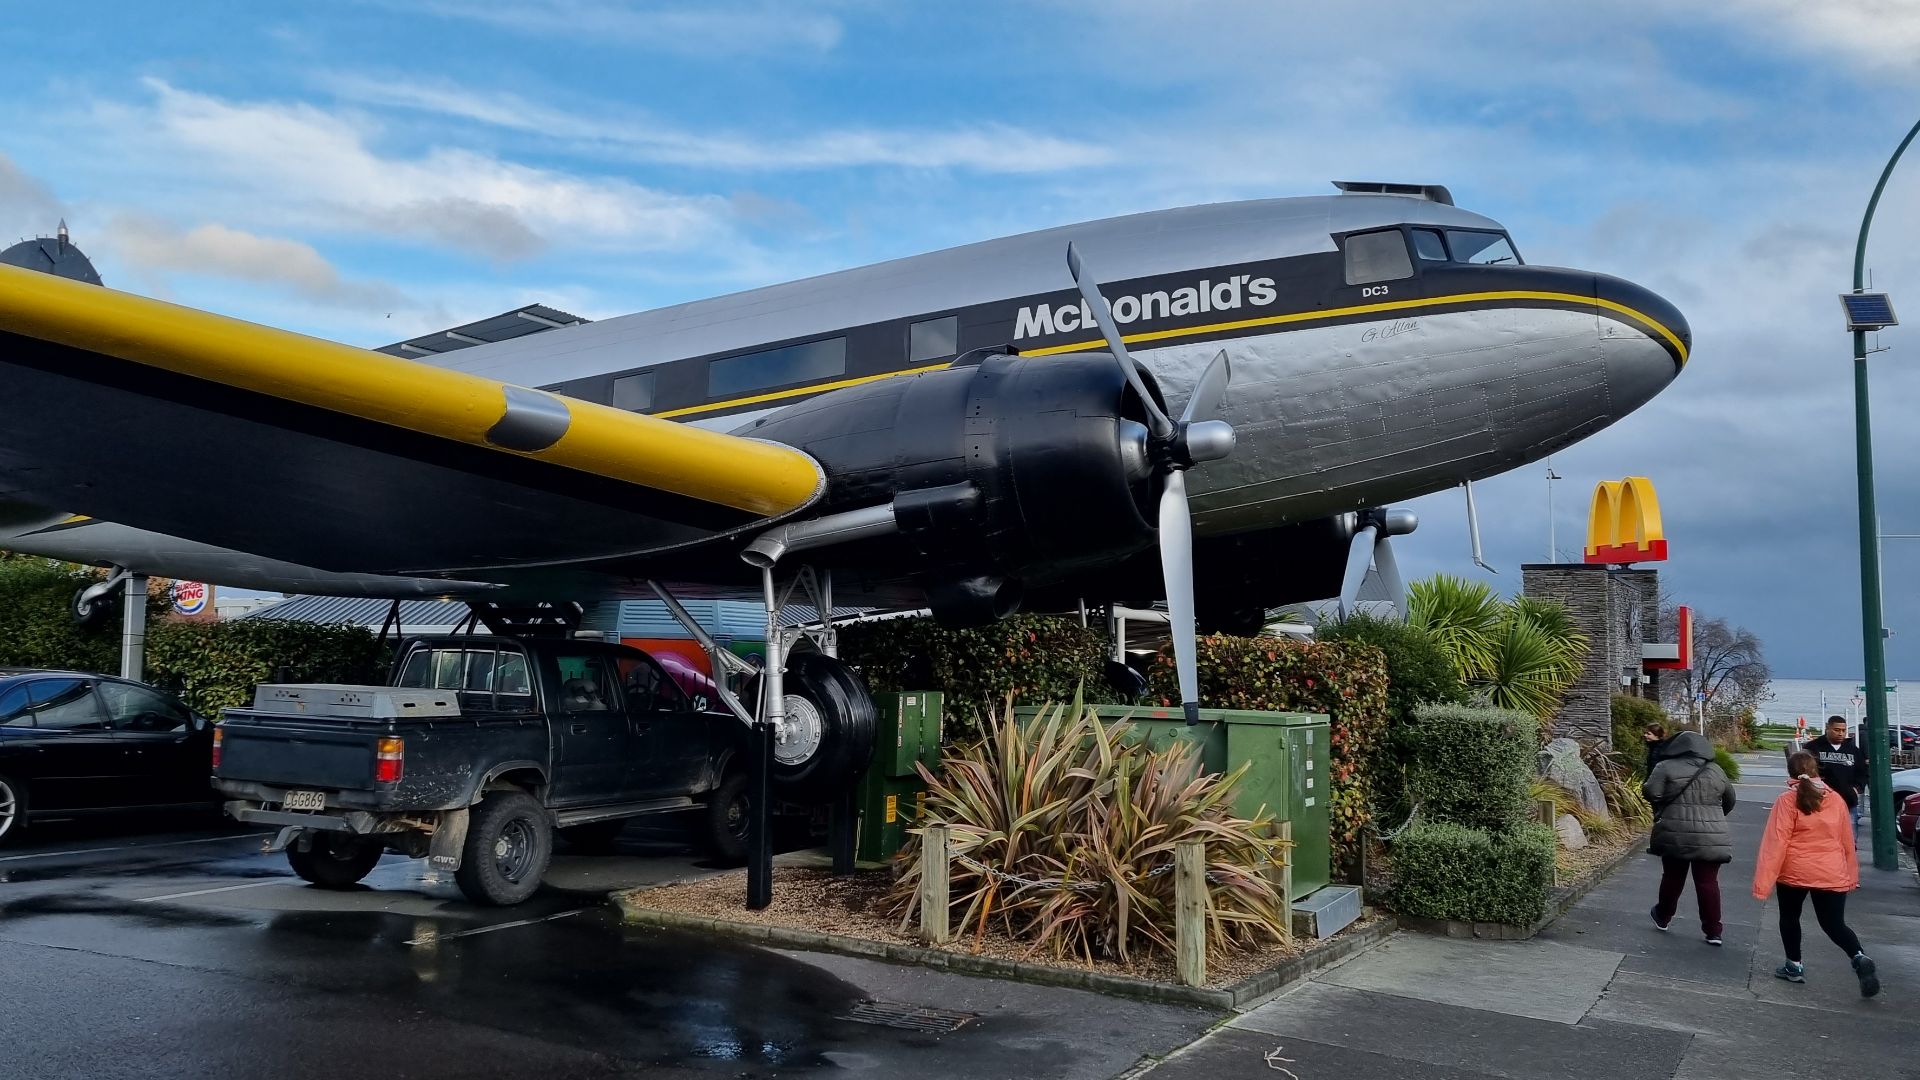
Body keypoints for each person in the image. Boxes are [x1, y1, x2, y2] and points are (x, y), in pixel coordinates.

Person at [1753, 751, 1879, 997]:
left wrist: (1764, 882)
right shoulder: (1836, 800)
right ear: (1816, 770)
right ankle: (1858, 956)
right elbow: (1846, 841)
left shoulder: (1787, 800)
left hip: (1794, 870)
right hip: (1830, 870)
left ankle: (1794, 965)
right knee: (1834, 924)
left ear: (1790, 773)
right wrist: (1850, 875)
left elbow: (1776, 843)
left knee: (1790, 917)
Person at [1643, 730, 1736, 945]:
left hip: (1675, 832)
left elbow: (1651, 792)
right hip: (1711, 837)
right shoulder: (1716, 770)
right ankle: (1714, 931)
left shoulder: (1665, 767)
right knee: (1707, 882)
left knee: (1673, 877)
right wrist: (1714, 817)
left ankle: (1663, 916)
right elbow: (1730, 799)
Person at [1801, 716, 1868, 829]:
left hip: (1847, 801)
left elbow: (1862, 772)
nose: (1840, 733)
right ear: (1828, 728)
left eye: (1843, 730)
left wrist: (1856, 789)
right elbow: (1803, 769)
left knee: (1850, 836)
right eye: (1836, 730)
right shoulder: (1813, 747)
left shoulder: (1853, 750)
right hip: (1820, 801)